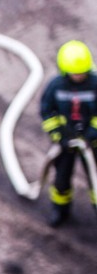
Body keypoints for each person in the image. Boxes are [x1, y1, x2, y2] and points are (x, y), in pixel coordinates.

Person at [39, 39, 97, 227]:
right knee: (61, 179)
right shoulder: (56, 86)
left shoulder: (95, 84)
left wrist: (91, 134)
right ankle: (60, 210)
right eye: (75, 73)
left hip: (93, 143)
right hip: (65, 143)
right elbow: (47, 111)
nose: (79, 76)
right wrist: (58, 135)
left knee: (95, 178)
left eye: (82, 72)